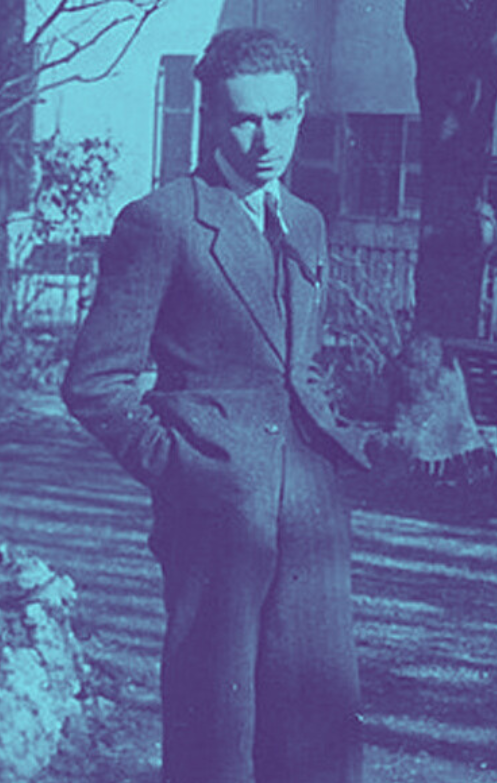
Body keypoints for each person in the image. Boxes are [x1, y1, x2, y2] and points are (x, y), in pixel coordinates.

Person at [62, 26, 368, 783]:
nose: (265, 139)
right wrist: (187, 469)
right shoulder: (163, 220)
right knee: (215, 731)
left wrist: (336, 443)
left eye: (281, 116)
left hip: (311, 510)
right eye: (244, 119)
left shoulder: (307, 221)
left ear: (303, 110)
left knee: (317, 727)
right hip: (213, 514)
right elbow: (95, 382)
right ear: (212, 117)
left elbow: (298, 365)